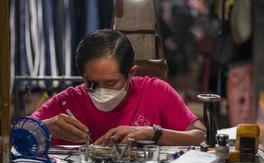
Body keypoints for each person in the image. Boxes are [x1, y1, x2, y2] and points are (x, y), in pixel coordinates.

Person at [31, 29, 206, 146]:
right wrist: (44, 128)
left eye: (111, 83)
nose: (101, 91)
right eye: (91, 83)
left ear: (131, 73)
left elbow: (202, 137)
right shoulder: (68, 101)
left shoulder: (156, 92)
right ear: (83, 76)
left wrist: (152, 133)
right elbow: (14, 136)